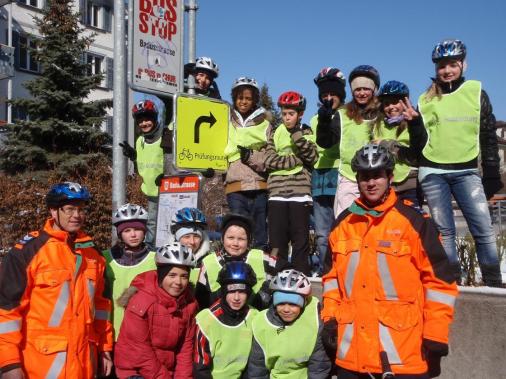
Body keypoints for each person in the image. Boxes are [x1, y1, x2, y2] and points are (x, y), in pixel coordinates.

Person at [321, 144, 458, 378]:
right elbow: (331, 279)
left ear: (390, 177)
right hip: (351, 357)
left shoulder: (414, 221)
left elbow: (439, 283)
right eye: (365, 177)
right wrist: (330, 319)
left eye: (377, 176)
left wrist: (435, 334)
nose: (371, 183)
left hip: (402, 356)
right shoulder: (343, 224)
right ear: (357, 179)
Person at [406, 39, 503, 287]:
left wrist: (491, 171)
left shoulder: (476, 92)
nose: (447, 70)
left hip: (467, 171)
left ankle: (493, 282)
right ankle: (451, 283)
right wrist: (415, 124)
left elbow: (487, 133)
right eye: (441, 66)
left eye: (452, 64)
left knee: (483, 228)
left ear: (463, 64)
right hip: (433, 172)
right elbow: (419, 144)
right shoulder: (425, 100)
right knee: (445, 233)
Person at [0, 182, 113, 378]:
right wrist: (9, 364)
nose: (76, 215)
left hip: (85, 363)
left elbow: (101, 307)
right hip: (41, 365)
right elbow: (7, 311)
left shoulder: (93, 254)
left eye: (81, 209)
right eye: (69, 209)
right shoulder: (29, 251)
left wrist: (104, 348)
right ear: (53, 211)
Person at [114, 242, 198, 379]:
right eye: (172, 275)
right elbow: (140, 351)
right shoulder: (141, 301)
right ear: (161, 275)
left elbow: (185, 348)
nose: (178, 282)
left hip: (166, 371)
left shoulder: (189, 304)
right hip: (136, 370)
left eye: (184, 276)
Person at [264, 91, 319, 275]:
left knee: (300, 241)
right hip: (277, 193)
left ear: (300, 114)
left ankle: (301, 277)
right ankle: (275, 277)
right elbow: (269, 160)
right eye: (284, 113)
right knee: (277, 242)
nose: (287, 118)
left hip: (299, 192)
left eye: (291, 114)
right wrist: (295, 160)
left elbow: (311, 156)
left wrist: (297, 136)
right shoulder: (275, 132)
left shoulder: (306, 131)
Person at [317, 65, 380, 217]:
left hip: (376, 178)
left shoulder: (382, 112)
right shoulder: (343, 114)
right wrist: (324, 121)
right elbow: (325, 142)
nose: (362, 93)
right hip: (349, 177)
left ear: (374, 90)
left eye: (366, 88)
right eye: (357, 89)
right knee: (347, 221)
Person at [248, 269, 331, 378]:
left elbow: (319, 365)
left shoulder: (314, 319)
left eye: (293, 304)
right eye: (281, 303)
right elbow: (257, 368)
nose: (286, 309)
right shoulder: (261, 323)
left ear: (304, 303)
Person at [195, 213, 282, 310]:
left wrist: (265, 290)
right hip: (221, 317)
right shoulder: (209, 262)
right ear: (223, 239)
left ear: (248, 241)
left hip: (255, 316)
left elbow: (286, 271)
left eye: (241, 239)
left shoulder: (260, 257)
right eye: (230, 238)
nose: (235, 243)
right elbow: (200, 298)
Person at [224, 77, 271, 251]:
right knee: (239, 230)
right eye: (240, 97)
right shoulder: (225, 121)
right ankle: (239, 264)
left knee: (259, 230)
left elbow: (269, 154)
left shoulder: (265, 124)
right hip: (235, 185)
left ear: (254, 100)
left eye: (248, 98)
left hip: (258, 184)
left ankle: (259, 266)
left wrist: (251, 155)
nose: (243, 102)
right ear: (234, 98)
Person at [119, 100, 171, 249]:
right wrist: (133, 156)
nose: (144, 123)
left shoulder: (164, 136)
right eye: (140, 121)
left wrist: (166, 175)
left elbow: (171, 160)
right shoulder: (140, 140)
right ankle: (151, 250)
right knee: (153, 222)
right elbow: (144, 161)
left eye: (147, 119)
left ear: (155, 119)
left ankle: (154, 248)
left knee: (164, 222)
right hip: (151, 190)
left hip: (167, 189)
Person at [310, 67, 347, 275]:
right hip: (319, 176)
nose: (329, 98)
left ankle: (343, 269)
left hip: (341, 174)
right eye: (324, 95)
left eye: (333, 94)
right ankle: (327, 272)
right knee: (322, 233)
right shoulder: (315, 118)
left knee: (341, 229)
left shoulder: (347, 116)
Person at [194, 261, 258, 379]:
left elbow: (255, 363)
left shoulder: (254, 317)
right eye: (232, 291)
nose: (236, 298)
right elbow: (200, 369)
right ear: (224, 291)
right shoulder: (206, 320)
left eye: (242, 292)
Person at [103, 203, 157, 340]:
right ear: (120, 234)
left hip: (145, 333)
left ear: (144, 231)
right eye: (127, 231)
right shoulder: (106, 258)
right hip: (112, 331)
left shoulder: (155, 259)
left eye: (137, 229)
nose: (133, 235)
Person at [374, 80, 420, 207]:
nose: (391, 107)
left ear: (405, 102)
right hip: (386, 186)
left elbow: (415, 157)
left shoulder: (413, 124)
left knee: (412, 220)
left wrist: (385, 144)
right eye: (386, 104)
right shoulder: (377, 126)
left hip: (408, 184)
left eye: (395, 102)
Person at [170, 207, 211, 283]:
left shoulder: (209, 262)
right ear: (176, 239)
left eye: (196, 236)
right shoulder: (165, 261)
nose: (192, 242)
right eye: (186, 236)